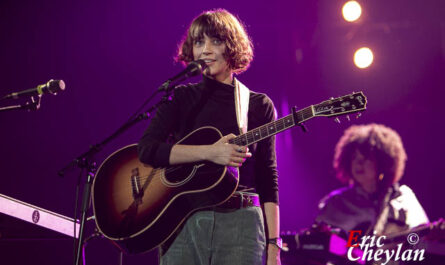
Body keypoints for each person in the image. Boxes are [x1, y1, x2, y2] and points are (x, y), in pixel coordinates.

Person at [138, 9, 281, 265]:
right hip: (182, 219)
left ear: (233, 47)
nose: (205, 50)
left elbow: (268, 178)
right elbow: (148, 150)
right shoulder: (180, 97)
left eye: (216, 41)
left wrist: (274, 247)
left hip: (241, 224)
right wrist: (210, 152)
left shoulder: (258, 105)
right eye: (198, 42)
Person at [314, 124, 429, 264]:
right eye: (354, 157)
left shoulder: (404, 198)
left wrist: (404, 247)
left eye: (366, 157)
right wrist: (354, 253)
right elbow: (318, 243)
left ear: (383, 162)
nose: (358, 163)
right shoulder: (336, 202)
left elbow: (423, 243)